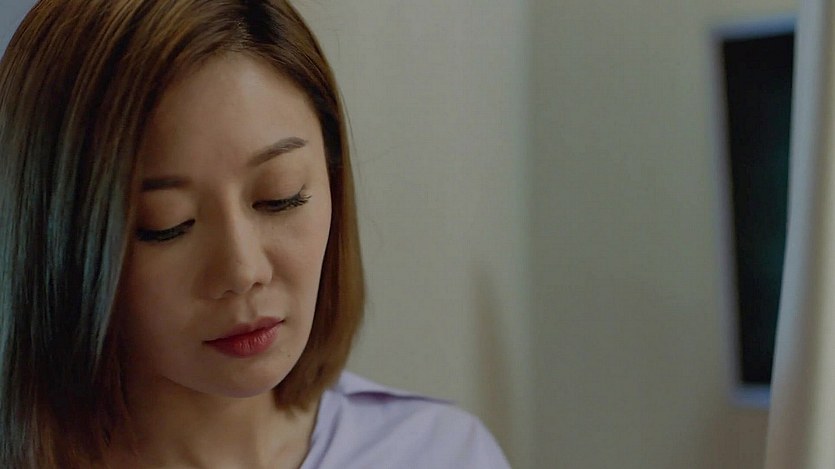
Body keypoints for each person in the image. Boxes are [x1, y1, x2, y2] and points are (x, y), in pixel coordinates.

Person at [0, 0, 511, 468]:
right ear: (55, 236)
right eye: (165, 224)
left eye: (280, 196)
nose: (243, 271)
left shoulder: (442, 453)